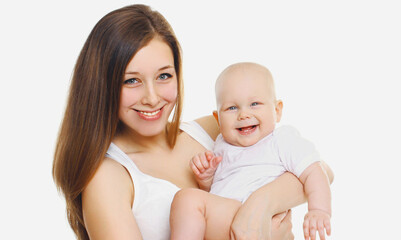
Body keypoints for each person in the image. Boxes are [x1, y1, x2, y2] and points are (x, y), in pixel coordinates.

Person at [52, 5, 334, 240]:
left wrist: (260, 206)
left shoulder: (214, 130)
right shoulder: (107, 178)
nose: (152, 97)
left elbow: (319, 169)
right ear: (102, 85)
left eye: (164, 76)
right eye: (132, 80)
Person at [170, 62, 332, 240]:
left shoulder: (282, 140)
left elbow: (315, 171)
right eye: (232, 108)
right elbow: (220, 187)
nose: (244, 115)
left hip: (256, 222)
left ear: (277, 111)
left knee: (187, 200)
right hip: (232, 221)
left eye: (254, 104)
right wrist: (207, 178)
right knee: (189, 200)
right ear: (218, 118)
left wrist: (319, 210)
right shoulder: (221, 145)